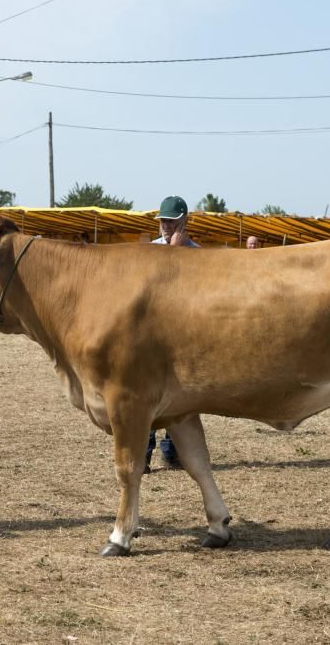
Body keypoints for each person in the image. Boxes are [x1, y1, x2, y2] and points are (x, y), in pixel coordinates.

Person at [147, 195, 201, 473]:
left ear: (184, 221)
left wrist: (177, 251)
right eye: (163, 221)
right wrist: (171, 251)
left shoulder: (196, 253)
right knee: (146, 396)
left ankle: (173, 451)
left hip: (183, 336)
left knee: (180, 395)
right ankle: (144, 454)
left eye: (170, 221)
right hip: (151, 335)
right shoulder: (149, 251)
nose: (165, 226)